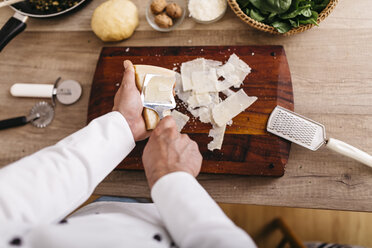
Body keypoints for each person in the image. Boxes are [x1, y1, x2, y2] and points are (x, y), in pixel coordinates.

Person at [0, 60, 256, 248]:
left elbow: (14, 198)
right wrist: (171, 178)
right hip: (179, 220)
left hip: (100, 211)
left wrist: (123, 125)